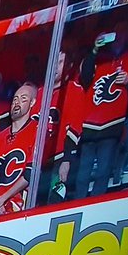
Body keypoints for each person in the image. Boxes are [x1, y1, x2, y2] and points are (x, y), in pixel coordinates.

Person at [75, 29, 128, 198]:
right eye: (116, 32)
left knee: (103, 171)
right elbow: (84, 77)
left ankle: (96, 203)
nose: (118, 36)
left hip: (113, 123)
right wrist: (94, 49)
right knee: (83, 174)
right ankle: (78, 202)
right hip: (90, 124)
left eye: (123, 32)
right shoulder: (99, 58)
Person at [0, 84, 38, 218]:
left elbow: (30, 174)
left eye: (23, 99)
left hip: (18, 209)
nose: (17, 103)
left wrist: (2, 199)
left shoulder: (37, 132)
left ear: (32, 103)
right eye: (15, 99)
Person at [35, 50, 84, 204]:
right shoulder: (39, 93)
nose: (55, 66)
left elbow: (75, 127)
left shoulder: (74, 90)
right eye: (54, 62)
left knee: (54, 201)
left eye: (60, 62)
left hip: (59, 159)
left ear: (69, 66)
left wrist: (67, 160)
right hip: (37, 162)